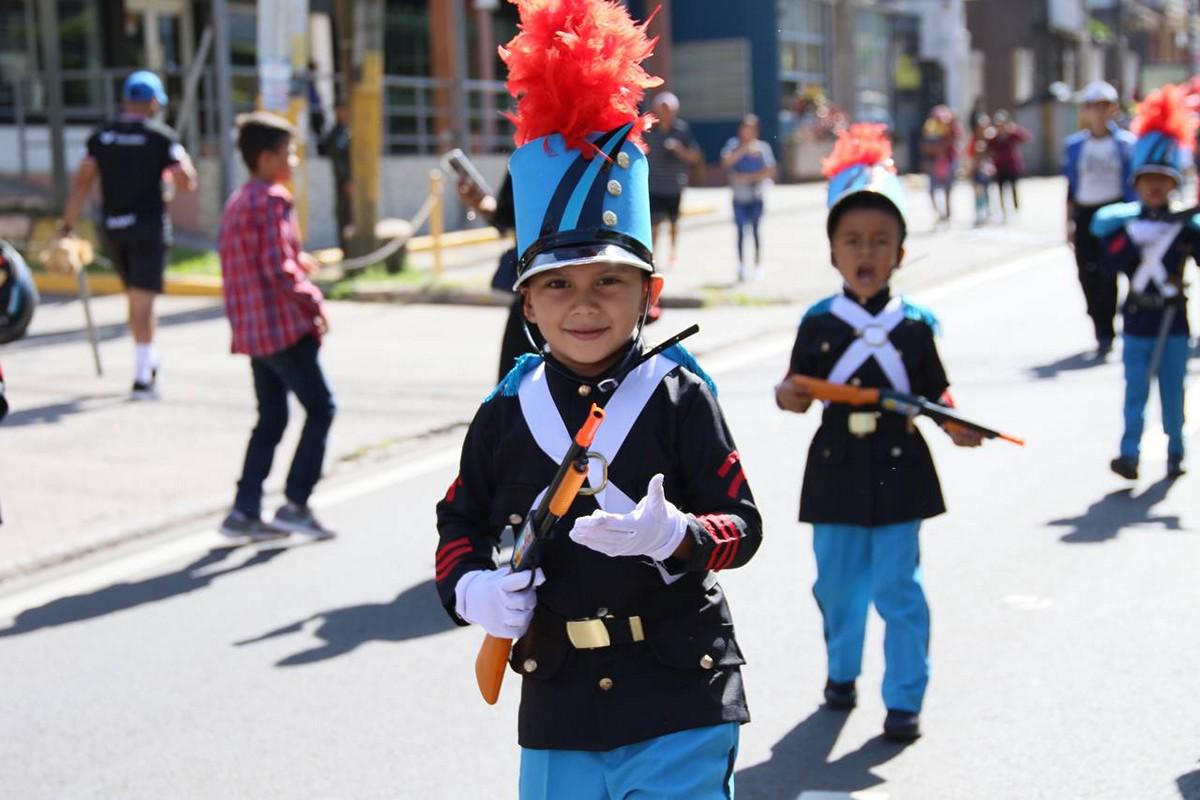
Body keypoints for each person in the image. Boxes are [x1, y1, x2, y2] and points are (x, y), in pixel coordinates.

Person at [434, 3, 761, 797]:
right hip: (559, 708)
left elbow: (742, 528)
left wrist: (678, 533)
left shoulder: (681, 395)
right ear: (528, 305)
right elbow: (458, 524)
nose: (586, 304)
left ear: (650, 292)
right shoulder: (505, 412)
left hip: (682, 691)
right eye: (559, 286)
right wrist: (470, 589)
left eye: (609, 281)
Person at [774, 124, 983, 742]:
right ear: (833, 251)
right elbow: (794, 393)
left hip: (899, 465)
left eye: (881, 241)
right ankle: (841, 675)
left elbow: (935, 392)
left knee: (900, 590)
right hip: (836, 465)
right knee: (836, 585)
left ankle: (904, 698)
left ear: (901, 252)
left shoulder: (915, 326)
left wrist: (955, 425)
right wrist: (787, 395)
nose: (867, 253)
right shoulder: (818, 322)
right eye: (853, 240)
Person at [217, 112, 337, 541]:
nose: (293, 161)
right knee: (321, 408)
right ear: (267, 158)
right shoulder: (273, 199)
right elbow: (277, 268)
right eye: (288, 153)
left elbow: (256, 261)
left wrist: (298, 263)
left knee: (271, 418)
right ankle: (296, 503)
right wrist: (313, 299)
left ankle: (244, 510)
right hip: (284, 329)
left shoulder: (239, 200)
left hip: (253, 332)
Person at [60, 70, 198, 398]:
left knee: (134, 297)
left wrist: (67, 225)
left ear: (125, 100)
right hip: (149, 228)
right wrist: (168, 179)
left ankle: (147, 359)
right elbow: (187, 179)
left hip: (114, 228)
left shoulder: (102, 136)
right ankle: (142, 374)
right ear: (153, 103)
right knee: (143, 300)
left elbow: (82, 181)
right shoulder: (161, 137)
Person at [1090, 84, 1196, 480]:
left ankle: (1175, 451)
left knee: (1173, 393)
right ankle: (1129, 453)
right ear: (1136, 182)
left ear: (1174, 183)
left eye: (1163, 178)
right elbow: (1108, 260)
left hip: (1174, 321)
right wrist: (1135, 243)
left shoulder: (1186, 228)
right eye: (1147, 177)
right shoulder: (1122, 226)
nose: (1154, 185)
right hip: (1137, 319)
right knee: (1135, 394)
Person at [1064, 80, 1136, 359]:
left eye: (1105, 106)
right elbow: (1070, 187)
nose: (1100, 113)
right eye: (1094, 107)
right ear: (1086, 110)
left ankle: (1108, 331)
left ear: (1114, 109)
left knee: (1111, 272)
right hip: (1086, 214)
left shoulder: (1126, 143)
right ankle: (1098, 320)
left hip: (1115, 214)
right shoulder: (1075, 146)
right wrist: (1069, 223)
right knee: (1087, 273)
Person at [645, 91, 702, 270]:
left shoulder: (681, 130)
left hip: (674, 185)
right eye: (662, 109)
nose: (665, 113)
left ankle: (673, 255)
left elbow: (694, 157)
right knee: (654, 223)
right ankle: (652, 256)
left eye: (668, 110)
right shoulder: (648, 130)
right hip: (653, 184)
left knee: (674, 223)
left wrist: (679, 150)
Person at [721, 114, 777, 282]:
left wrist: (750, 177)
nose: (748, 132)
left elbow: (771, 170)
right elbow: (726, 162)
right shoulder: (733, 145)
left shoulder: (762, 148)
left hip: (756, 197)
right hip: (739, 198)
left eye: (752, 129)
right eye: (745, 128)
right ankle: (741, 266)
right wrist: (744, 149)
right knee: (740, 232)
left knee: (755, 232)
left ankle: (758, 265)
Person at [320, 100, 352, 253]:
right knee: (343, 215)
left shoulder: (351, 131)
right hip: (341, 183)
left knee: (354, 216)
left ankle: (354, 251)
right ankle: (346, 251)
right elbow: (332, 155)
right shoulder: (336, 132)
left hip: (353, 183)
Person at [988, 110, 1030, 220]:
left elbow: (1025, 137)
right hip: (1000, 166)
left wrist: (1015, 129)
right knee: (1001, 189)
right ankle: (1002, 209)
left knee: (1014, 188)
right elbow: (988, 148)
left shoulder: (1012, 134)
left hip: (1012, 165)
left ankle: (1016, 208)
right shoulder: (993, 137)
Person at [920, 105, 959, 223]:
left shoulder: (951, 130)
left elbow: (953, 142)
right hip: (934, 162)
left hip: (947, 162)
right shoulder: (930, 128)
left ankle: (947, 211)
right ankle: (938, 212)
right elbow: (925, 147)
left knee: (948, 188)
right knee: (933, 189)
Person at [967, 113, 996, 226]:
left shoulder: (990, 138)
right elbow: (970, 156)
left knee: (988, 192)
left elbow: (993, 154)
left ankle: (988, 212)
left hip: (987, 170)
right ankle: (979, 213)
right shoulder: (974, 140)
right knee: (978, 192)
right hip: (977, 170)